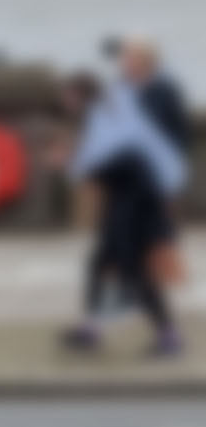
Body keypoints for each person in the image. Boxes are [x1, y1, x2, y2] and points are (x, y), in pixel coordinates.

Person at [60, 71, 187, 357]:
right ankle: (91, 329)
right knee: (98, 264)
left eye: (67, 95)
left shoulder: (107, 119)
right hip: (124, 205)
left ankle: (170, 336)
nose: (64, 102)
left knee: (135, 272)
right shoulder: (103, 115)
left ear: (79, 95)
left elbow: (112, 164)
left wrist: (72, 164)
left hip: (135, 209)